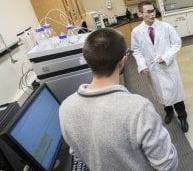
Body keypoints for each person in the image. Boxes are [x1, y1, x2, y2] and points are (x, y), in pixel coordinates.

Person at [59, 28, 178, 170]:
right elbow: (167, 165)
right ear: (123, 61)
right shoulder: (138, 109)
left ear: (88, 60)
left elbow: (77, 155)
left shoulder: (65, 107)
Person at [131, 1, 189, 133]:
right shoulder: (136, 32)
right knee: (161, 93)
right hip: (153, 69)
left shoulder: (166, 27)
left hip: (168, 67)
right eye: (148, 12)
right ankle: (168, 112)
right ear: (140, 14)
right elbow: (136, 51)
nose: (152, 14)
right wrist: (142, 65)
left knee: (176, 94)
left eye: (153, 11)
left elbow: (176, 43)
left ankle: (182, 117)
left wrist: (166, 57)